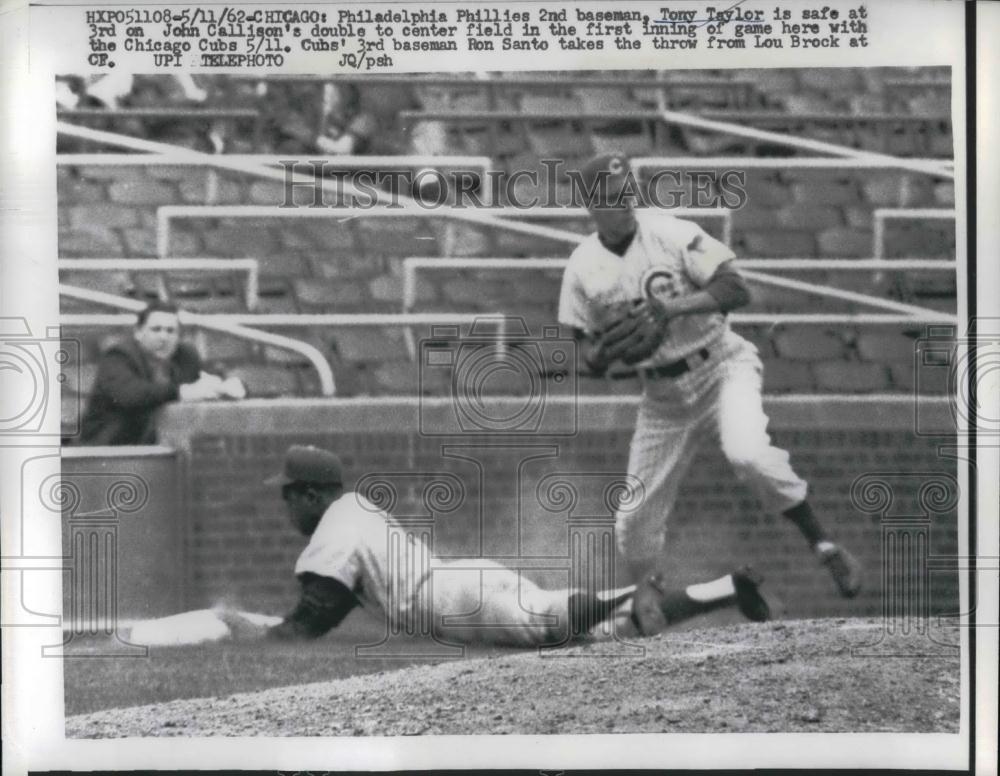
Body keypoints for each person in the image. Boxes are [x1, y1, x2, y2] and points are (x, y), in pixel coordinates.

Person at [557, 153, 862, 598]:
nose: (624, 201)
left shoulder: (670, 233)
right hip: (662, 397)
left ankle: (827, 546)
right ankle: (650, 601)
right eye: (611, 195)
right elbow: (582, 350)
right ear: (590, 204)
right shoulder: (582, 266)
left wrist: (672, 308)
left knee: (749, 455)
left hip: (721, 366)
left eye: (627, 192)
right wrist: (603, 355)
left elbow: (737, 288)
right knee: (633, 521)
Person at [219, 445, 772, 645]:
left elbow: (314, 620)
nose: (286, 506)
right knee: (604, 634)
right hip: (468, 582)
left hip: (450, 601)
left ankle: (630, 590)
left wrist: (253, 639)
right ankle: (726, 589)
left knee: (555, 617)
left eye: (290, 495)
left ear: (311, 494)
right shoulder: (358, 506)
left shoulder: (333, 530)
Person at [78, 301, 244, 445]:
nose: (163, 337)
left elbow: (212, 378)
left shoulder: (185, 355)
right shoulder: (119, 356)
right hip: (109, 450)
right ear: (138, 332)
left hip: (164, 447)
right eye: (156, 330)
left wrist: (232, 386)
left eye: (170, 331)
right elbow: (130, 395)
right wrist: (182, 391)